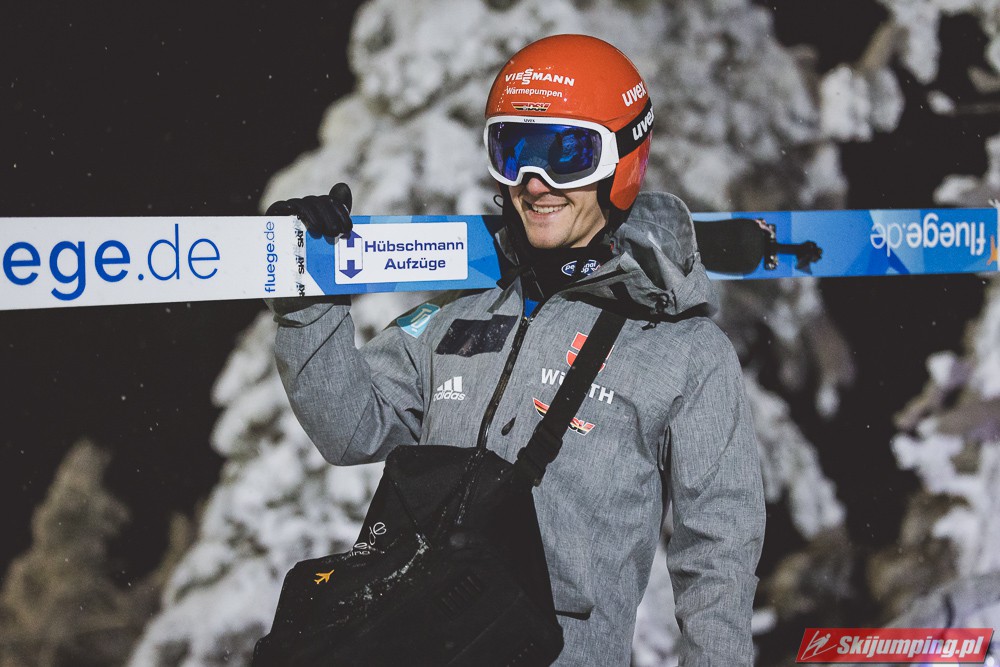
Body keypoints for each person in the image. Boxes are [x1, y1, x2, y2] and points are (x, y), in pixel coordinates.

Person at [266, 34, 765, 666]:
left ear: (622, 162)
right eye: (514, 150)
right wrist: (308, 295)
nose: (534, 182)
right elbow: (350, 428)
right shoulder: (457, 314)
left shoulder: (685, 352)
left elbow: (719, 552)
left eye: (567, 154)